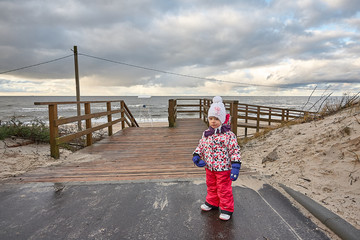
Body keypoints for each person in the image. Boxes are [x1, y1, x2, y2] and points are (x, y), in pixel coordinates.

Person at [192, 96, 242, 221]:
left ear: (222, 119)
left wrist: (235, 166)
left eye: (216, 118)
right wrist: (196, 155)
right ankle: (212, 202)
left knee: (224, 189)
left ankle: (227, 209)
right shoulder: (206, 133)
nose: (213, 121)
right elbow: (201, 145)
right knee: (211, 186)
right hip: (210, 167)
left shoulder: (229, 135)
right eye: (211, 118)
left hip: (224, 168)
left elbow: (234, 150)